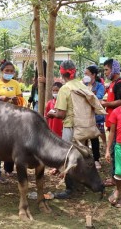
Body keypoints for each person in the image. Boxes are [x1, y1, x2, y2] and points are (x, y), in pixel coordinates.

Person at [47, 60, 87, 199]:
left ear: (62, 72)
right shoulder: (82, 86)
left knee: (68, 158)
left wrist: (51, 113)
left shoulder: (65, 88)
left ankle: (70, 189)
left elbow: (61, 114)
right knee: (81, 155)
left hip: (70, 126)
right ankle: (81, 184)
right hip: (83, 127)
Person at [0, 60, 23, 177]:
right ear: (1, 71)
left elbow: (21, 100)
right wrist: (1, 98)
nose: (9, 73)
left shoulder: (15, 84)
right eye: (7, 71)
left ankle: (9, 169)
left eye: (11, 71)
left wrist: (17, 100)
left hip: (12, 117)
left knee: (11, 143)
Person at [101, 59, 121, 187]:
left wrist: (105, 104)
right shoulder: (113, 83)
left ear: (114, 69)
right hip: (112, 122)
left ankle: (115, 178)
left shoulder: (120, 84)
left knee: (116, 151)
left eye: (106, 69)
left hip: (118, 122)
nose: (105, 72)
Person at [84, 65, 105, 169]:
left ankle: (96, 159)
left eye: (87, 73)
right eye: (85, 74)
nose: (85, 76)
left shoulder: (100, 86)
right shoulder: (82, 85)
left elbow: (99, 98)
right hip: (84, 116)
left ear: (93, 75)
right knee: (84, 138)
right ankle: (85, 158)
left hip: (96, 117)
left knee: (94, 137)